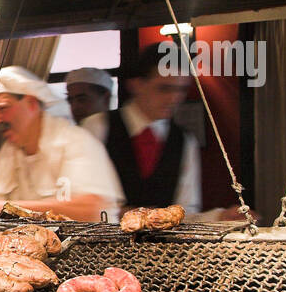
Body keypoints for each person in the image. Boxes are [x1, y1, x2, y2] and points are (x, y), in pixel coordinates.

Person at [0, 66, 124, 221]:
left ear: (31, 103)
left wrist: (3, 208)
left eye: (2, 108)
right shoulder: (10, 150)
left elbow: (92, 207)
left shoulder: (76, 141)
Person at [81, 43, 201, 215]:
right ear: (136, 84)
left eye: (181, 90)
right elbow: (82, 200)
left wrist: (220, 216)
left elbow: (188, 209)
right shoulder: (97, 127)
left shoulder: (185, 140)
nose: (174, 99)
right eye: (164, 88)